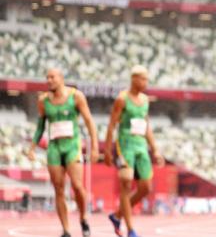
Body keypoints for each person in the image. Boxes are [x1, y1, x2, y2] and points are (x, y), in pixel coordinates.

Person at [25, 68, 99, 237]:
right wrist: (32, 147)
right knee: (58, 189)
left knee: (78, 186)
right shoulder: (43, 101)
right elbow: (40, 126)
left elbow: (89, 121)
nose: (49, 80)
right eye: (47, 77)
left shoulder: (76, 96)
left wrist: (94, 146)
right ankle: (66, 230)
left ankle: (83, 218)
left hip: (72, 146)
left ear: (61, 78)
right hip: (54, 148)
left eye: (52, 77)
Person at [104, 66, 164, 237]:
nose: (146, 83)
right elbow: (111, 125)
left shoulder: (145, 100)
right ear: (134, 79)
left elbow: (146, 126)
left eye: (147, 79)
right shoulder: (122, 99)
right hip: (125, 145)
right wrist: (107, 150)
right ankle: (130, 229)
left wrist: (155, 150)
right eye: (143, 79)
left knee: (145, 188)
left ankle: (117, 216)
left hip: (141, 145)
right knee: (126, 182)